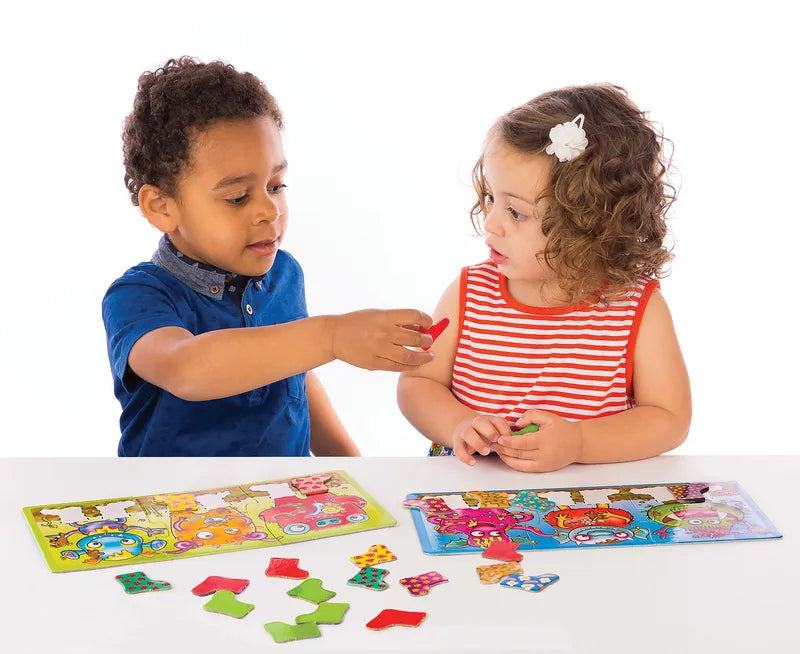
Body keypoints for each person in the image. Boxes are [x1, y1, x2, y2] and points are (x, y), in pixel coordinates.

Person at [102, 57, 433, 456]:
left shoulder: (285, 274)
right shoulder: (137, 296)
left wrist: (350, 461)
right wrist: (331, 336)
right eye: (238, 197)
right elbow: (186, 369)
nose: (269, 210)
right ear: (161, 206)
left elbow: (296, 373)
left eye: (276, 185)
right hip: (177, 509)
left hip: (285, 507)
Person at [397, 84, 691, 472]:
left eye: (515, 212)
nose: (491, 223)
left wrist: (579, 442)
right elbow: (417, 384)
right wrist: (458, 424)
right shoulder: (470, 293)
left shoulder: (637, 308)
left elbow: (669, 418)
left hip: (585, 511)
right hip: (470, 503)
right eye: (490, 198)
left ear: (590, 224)